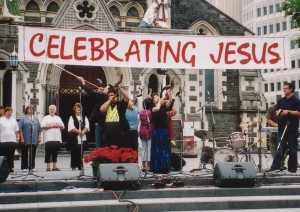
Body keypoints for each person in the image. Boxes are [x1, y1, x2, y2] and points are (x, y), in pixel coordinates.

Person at [269, 83, 300, 173]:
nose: (284, 90)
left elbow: (298, 113)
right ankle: (276, 166)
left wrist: (288, 112)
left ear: (291, 89)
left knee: (292, 148)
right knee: (279, 147)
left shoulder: (296, 101)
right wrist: (278, 112)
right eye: (283, 88)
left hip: (292, 127)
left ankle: (292, 168)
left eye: (286, 88)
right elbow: (277, 111)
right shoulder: (281, 101)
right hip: (282, 127)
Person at [77, 76, 108, 148]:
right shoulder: (103, 97)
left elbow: (90, 92)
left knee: (100, 145)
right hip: (101, 123)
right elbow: (96, 99)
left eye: (106, 88)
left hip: (101, 124)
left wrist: (83, 81)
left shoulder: (104, 97)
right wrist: (100, 93)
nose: (104, 88)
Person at [151, 88, 173, 174]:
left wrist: (169, 93)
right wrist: (160, 101)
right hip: (157, 131)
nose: (157, 98)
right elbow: (156, 109)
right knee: (157, 149)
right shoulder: (153, 108)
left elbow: (170, 101)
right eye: (155, 97)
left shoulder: (163, 107)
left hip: (164, 130)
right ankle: (157, 168)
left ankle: (165, 167)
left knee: (165, 149)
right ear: (153, 101)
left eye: (157, 97)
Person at [41, 105, 64, 171]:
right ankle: (48, 167)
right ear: (48, 110)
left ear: (55, 110)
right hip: (48, 138)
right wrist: (51, 126)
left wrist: (58, 125)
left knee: (55, 152)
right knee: (48, 153)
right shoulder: (45, 118)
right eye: (50, 109)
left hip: (56, 138)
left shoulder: (58, 118)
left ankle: (54, 167)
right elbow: (43, 126)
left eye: (53, 109)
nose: (51, 110)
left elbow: (62, 127)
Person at [18, 106, 42, 172]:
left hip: (34, 138)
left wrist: (39, 137)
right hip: (25, 138)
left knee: (33, 153)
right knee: (24, 153)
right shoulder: (23, 118)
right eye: (29, 109)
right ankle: (24, 167)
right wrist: (22, 138)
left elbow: (39, 129)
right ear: (26, 110)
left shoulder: (36, 118)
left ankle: (32, 167)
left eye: (32, 109)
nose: (30, 110)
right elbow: (20, 129)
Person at [68, 103, 89, 171]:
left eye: (80, 110)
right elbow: (71, 127)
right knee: (74, 151)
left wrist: (82, 132)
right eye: (77, 110)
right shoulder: (72, 117)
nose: (78, 111)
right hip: (74, 136)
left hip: (82, 136)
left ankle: (80, 165)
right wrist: (79, 132)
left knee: (81, 151)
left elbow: (87, 126)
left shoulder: (84, 117)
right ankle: (73, 165)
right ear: (75, 109)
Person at [0, 107, 19, 172]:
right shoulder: (1, 119)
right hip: (3, 141)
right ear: (5, 112)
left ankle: (10, 168)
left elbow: (16, 130)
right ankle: (2, 168)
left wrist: (17, 139)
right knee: (3, 155)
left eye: (11, 112)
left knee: (11, 155)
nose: (10, 114)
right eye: (8, 112)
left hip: (12, 140)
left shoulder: (13, 120)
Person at [139, 97, 153, 172]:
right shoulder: (151, 113)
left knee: (143, 149)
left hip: (142, 131)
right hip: (149, 131)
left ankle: (143, 165)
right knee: (149, 149)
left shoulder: (141, 112)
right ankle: (148, 166)